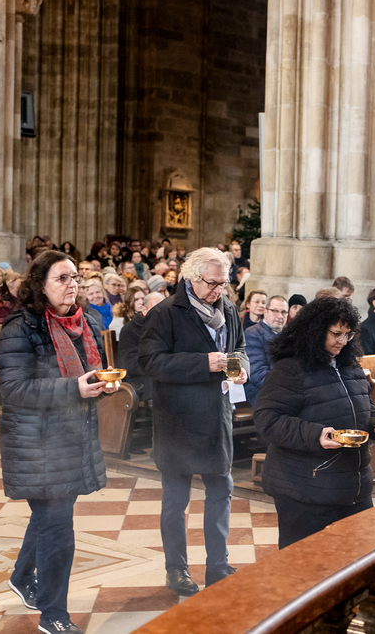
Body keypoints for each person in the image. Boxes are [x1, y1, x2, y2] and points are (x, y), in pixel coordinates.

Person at [0, 250, 108, 634]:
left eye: (75, 276)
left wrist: (100, 384)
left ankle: (21, 576)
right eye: (62, 278)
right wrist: (74, 388)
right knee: (57, 528)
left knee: (48, 517)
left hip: (73, 437)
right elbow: (13, 388)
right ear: (40, 285)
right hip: (36, 442)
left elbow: (91, 372)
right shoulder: (20, 327)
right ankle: (53, 614)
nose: (72, 284)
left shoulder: (85, 321)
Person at [138, 247, 248, 597]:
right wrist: (205, 363)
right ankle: (177, 570)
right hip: (179, 420)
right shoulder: (166, 313)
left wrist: (241, 368)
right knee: (176, 500)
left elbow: (239, 347)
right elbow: (150, 362)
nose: (219, 290)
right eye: (212, 283)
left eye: (223, 283)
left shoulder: (228, 309)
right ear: (191, 278)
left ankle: (218, 565)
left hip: (217, 416)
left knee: (221, 490)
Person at [253, 298, 375, 547]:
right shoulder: (291, 369)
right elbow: (268, 419)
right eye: (336, 333)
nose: (342, 341)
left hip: (353, 486)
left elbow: (363, 405)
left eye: (348, 334)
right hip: (306, 489)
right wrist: (316, 435)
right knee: (307, 564)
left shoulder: (350, 366)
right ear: (315, 331)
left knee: (354, 561)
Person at [117, 291, 165, 403]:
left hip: (164, 373)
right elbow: (130, 364)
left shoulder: (169, 325)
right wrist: (161, 367)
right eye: (156, 310)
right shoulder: (130, 330)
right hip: (142, 378)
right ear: (144, 310)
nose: (162, 314)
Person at [244, 295, 289, 405]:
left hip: (288, 388)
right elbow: (258, 375)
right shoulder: (252, 333)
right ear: (265, 311)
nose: (280, 316)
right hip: (261, 391)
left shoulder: (290, 335)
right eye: (275, 311)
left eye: (284, 312)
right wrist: (289, 384)